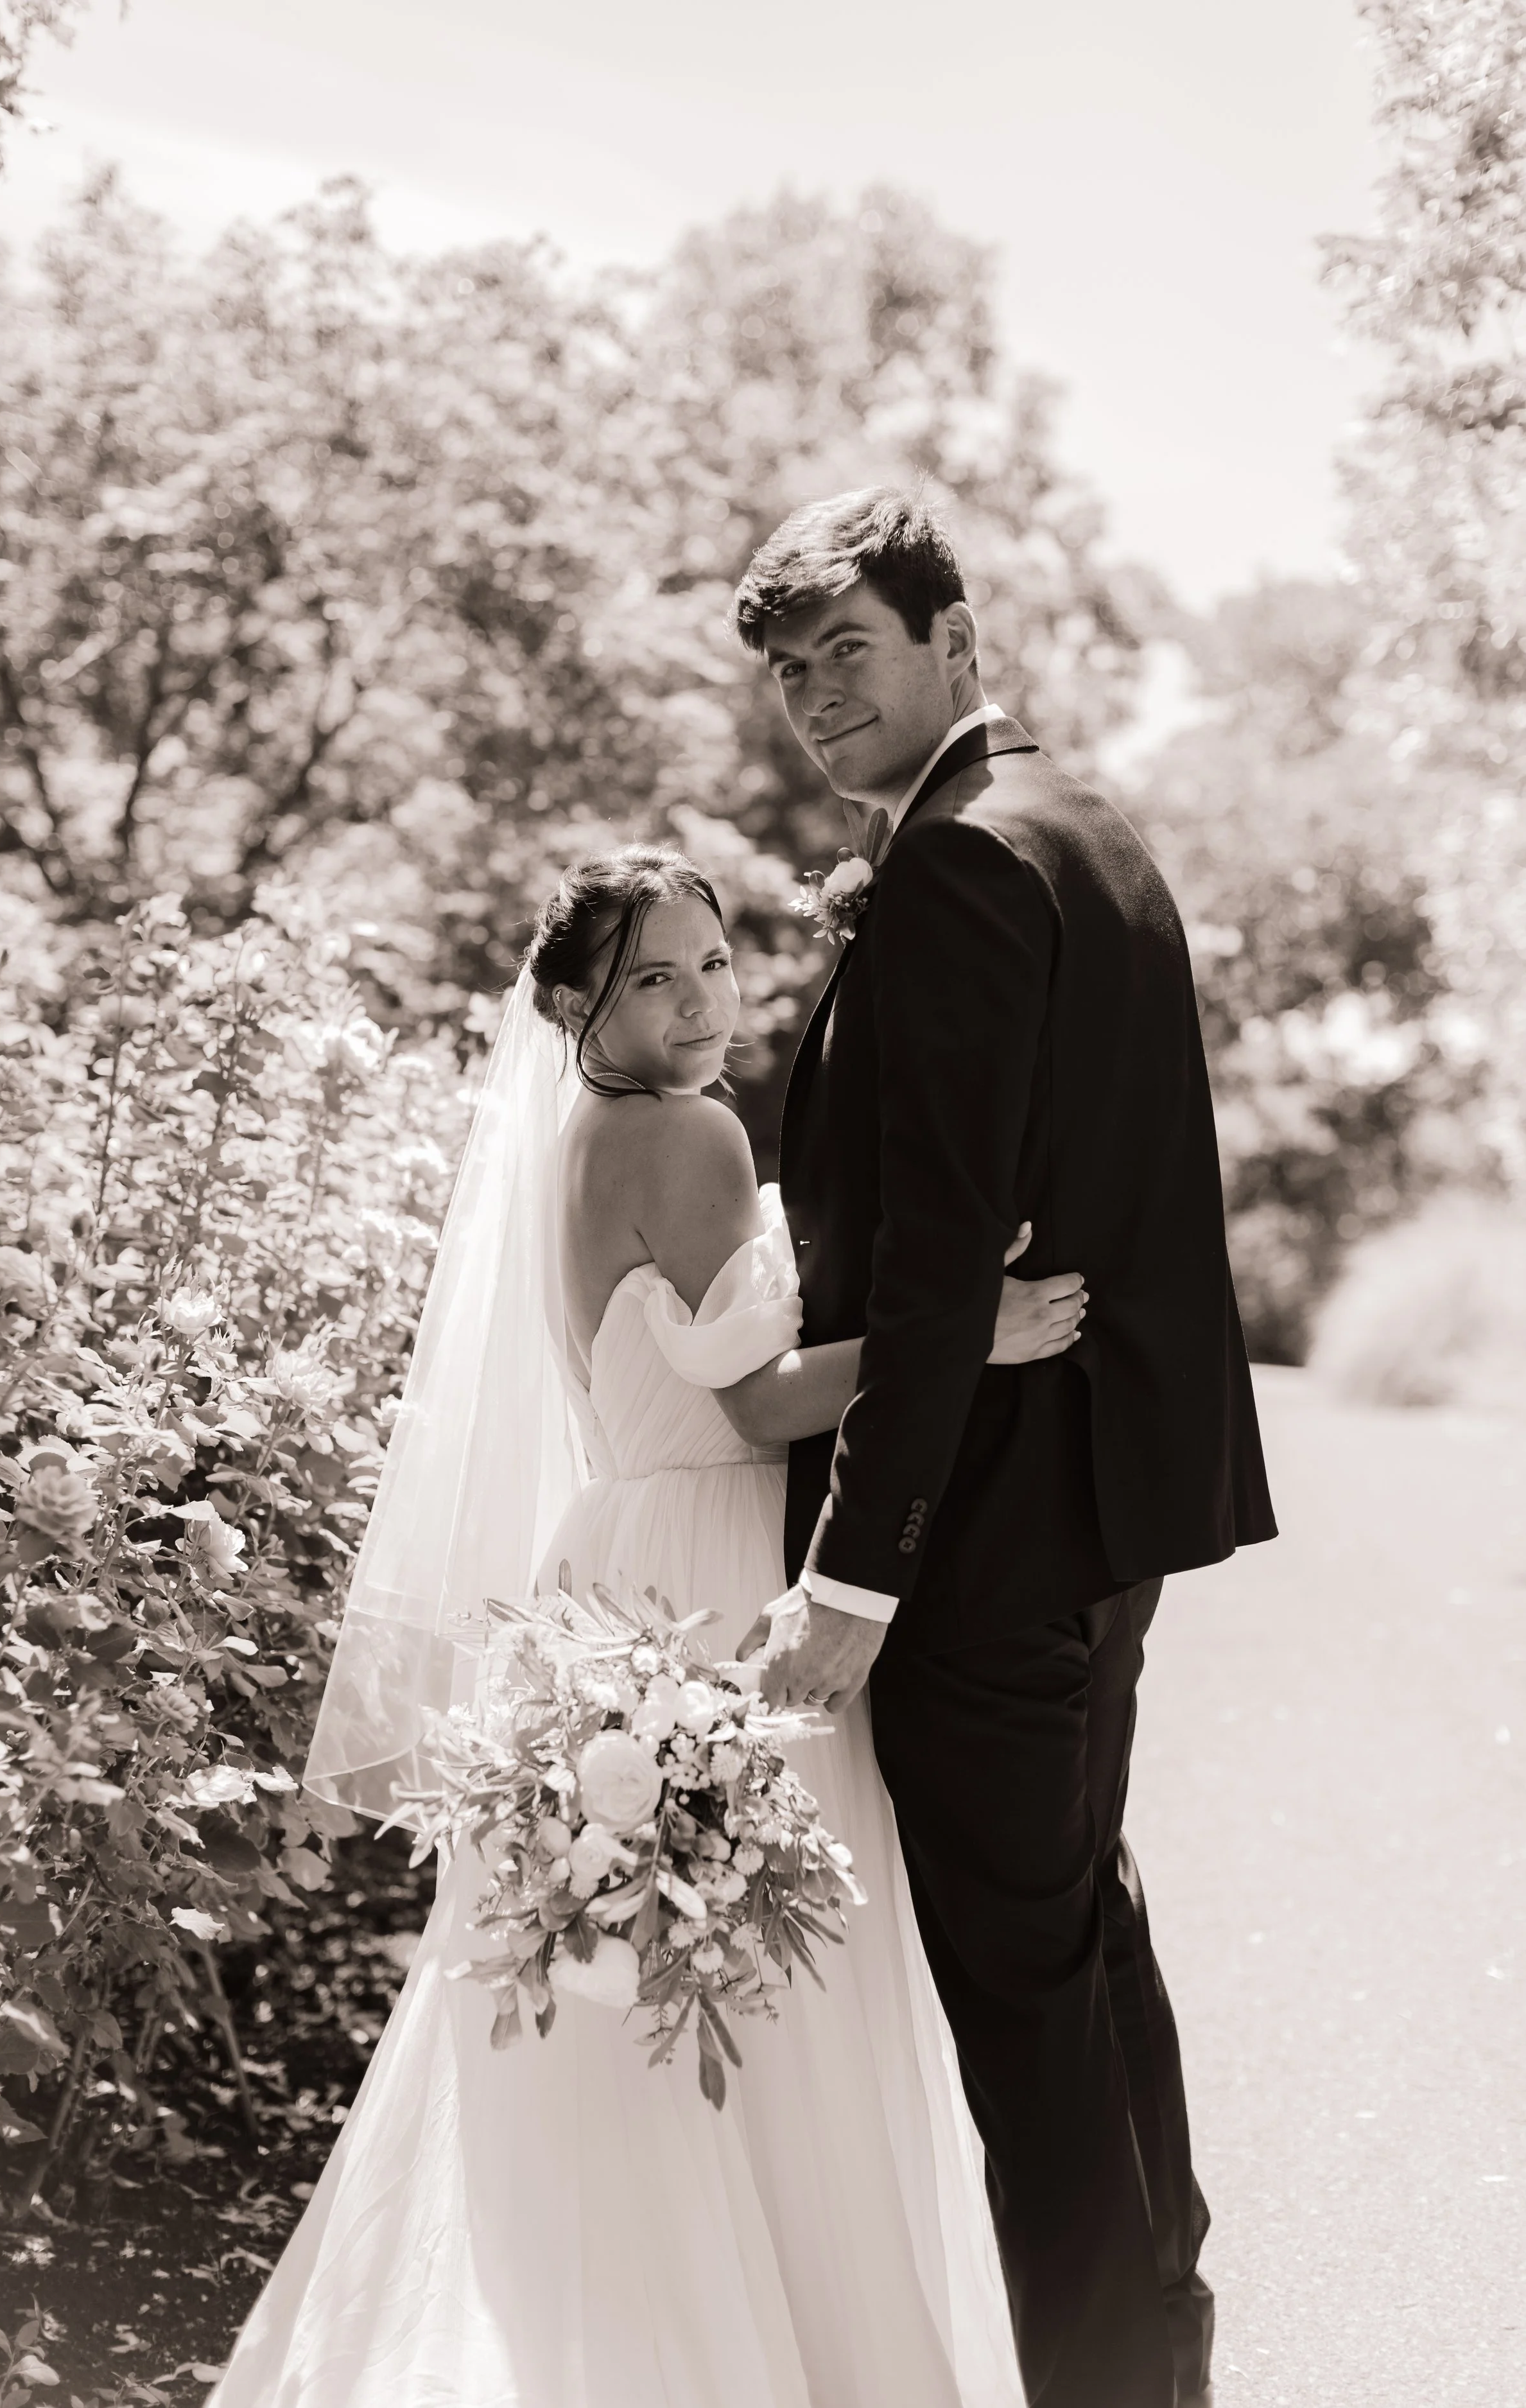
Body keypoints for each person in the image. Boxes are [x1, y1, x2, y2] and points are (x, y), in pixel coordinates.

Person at [209, 845, 1088, 2408]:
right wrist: (971, 1340)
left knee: (621, 1987)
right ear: (569, 1004)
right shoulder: (678, 1132)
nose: (698, 1006)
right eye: (650, 980)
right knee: (756, 1993)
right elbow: (754, 1399)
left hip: (613, 1563)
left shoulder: (586, 1136)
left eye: (711, 966)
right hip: (706, 1576)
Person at [732, 487, 1277, 2408]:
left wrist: (853, 1568)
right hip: (1100, 1510)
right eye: (788, 674)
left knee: (1025, 2012)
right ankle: (1164, 2333)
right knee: (1080, 1936)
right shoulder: (1086, 829)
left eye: (846, 654)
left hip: (981, 1534)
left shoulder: (961, 860)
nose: (811, 698)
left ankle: (1117, 2382)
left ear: (957, 642)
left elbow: (949, 1224)